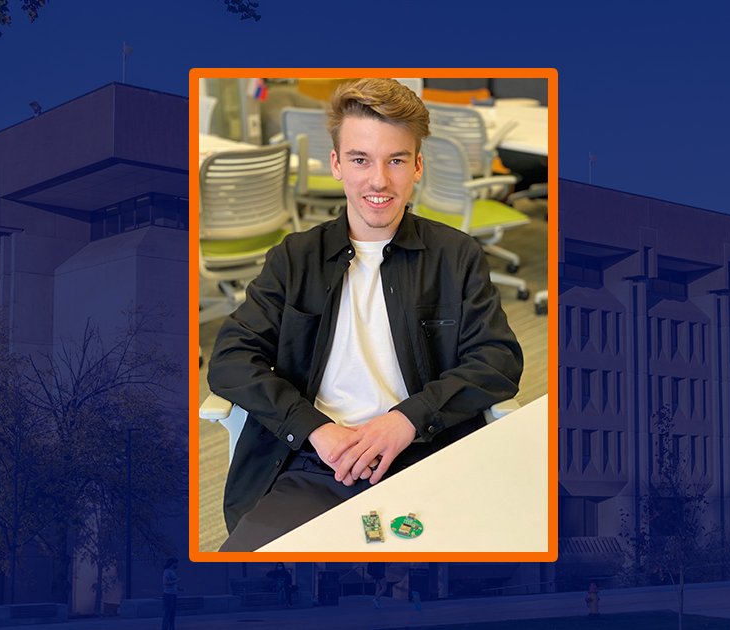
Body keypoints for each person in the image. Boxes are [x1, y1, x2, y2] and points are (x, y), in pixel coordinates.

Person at [209, 78, 523, 551]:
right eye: (360, 159)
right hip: (316, 463)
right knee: (238, 584)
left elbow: (497, 360)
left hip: (424, 456)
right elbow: (231, 360)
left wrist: (407, 420)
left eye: (396, 160)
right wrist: (316, 430)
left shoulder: (455, 255)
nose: (378, 180)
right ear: (336, 164)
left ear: (417, 166)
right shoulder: (295, 257)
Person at [160, 558, 178, 630]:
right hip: (168, 595)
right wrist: (176, 581)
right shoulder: (166, 572)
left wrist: (178, 588)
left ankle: (171, 628)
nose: (176, 565)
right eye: (175, 563)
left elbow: (172, 583)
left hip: (173, 595)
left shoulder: (172, 572)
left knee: (172, 614)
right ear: (172, 563)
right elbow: (165, 582)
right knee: (167, 614)